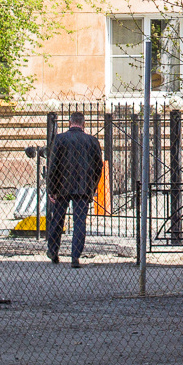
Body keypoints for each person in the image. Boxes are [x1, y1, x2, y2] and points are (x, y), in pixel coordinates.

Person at [45, 110, 103, 267]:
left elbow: (53, 165)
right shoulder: (92, 141)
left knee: (57, 219)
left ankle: (53, 251)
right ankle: (75, 256)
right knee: (79, 222)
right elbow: (99, 166)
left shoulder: (60, 139)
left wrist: (51, 189)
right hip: (83, 187)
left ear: (70, 123)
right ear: (83, 124)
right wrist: (92, 186)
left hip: (61, 186)